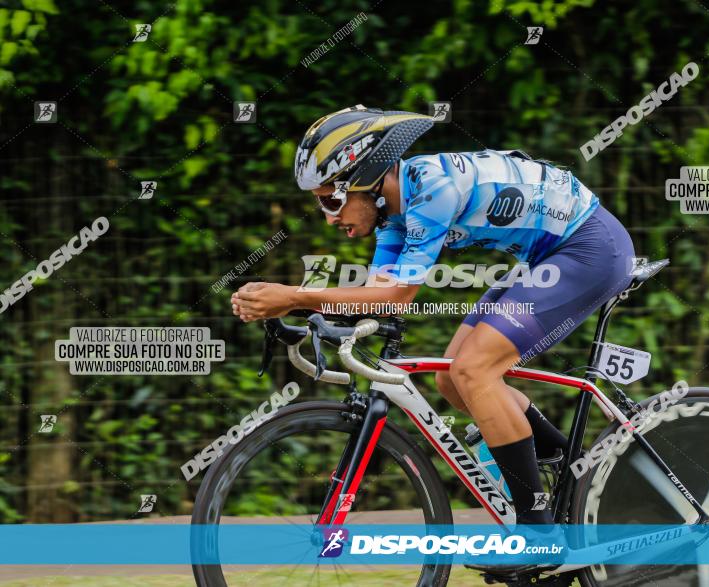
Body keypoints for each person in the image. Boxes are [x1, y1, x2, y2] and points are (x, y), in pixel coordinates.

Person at [231, 105, 635, 565]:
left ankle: (539, 537)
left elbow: (397, 297)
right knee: (451, 380)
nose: (328, 218)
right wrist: (307, 317)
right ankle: (576, 472)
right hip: (545, 258)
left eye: (330, 201)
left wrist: (295, 296)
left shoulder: (431, 191)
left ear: (363, 180)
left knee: (474, 370)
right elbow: (377, 296)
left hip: (589, 248)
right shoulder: (393, 214)